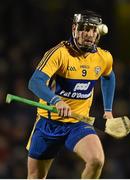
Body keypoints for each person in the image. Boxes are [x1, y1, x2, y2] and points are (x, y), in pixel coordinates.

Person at [27, 10, 116, 179]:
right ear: (74, 28)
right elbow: (35, 81)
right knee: (35, 177)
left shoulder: (103, 58)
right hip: (48, 123)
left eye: (93, 30)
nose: (89, 34)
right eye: (84, 29)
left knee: (96, 160)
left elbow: (109, 77)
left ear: (98, 32)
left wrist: (108, 109)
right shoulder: (59, 53)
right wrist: (56, 101)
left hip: (78, 123)